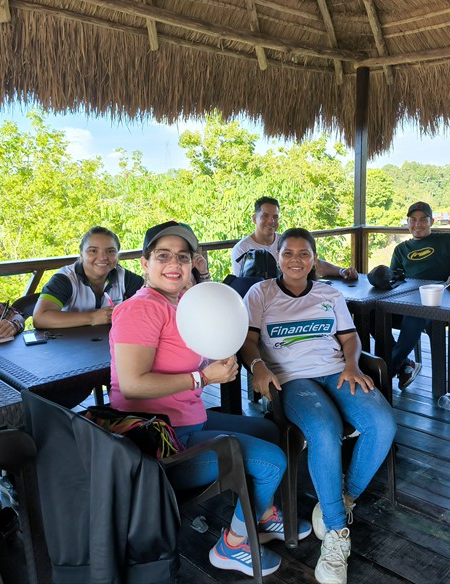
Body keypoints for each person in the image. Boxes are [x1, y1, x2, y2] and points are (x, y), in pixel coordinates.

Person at [109, 220, 308, 577]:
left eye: (183, 257)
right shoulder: (141, 309)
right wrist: (202, 376)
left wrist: (216, 360)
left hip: (188, 419)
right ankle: (231, 545)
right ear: (144, 263)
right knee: (272, 461)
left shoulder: (183, 304)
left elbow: (195, 350)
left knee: (270, 432)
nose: (174, 264)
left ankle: (259, 515)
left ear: (193, 263)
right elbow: (133, 385)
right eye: (163, 256)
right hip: (158, 444)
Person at [240, 227, 397, 584]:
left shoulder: (329, 293)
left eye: (304, 254)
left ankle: (344, 499)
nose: (296, 260)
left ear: (314, 260)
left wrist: (353, 363)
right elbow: (248, 341)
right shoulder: (260, 293)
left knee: (382, 424)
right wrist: (258, 365)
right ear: (278, 257)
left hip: (336, 371)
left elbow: (349, 337)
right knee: (324, 432)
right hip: (291, 380)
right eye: (288, 253)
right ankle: (337, 535)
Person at [388, 201, 450, 389]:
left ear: (432, 222)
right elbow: (393, 277)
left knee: (415, 314)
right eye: (413, 220)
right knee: (372, 315)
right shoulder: (401, 249)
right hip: (408, 300)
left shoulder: (448, 239)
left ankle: (385, 371)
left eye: (423, 220)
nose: (417, 224)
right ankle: (404, 364)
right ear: (408, 222)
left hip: (441, 302)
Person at [32, 226, 145, 329]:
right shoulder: (66, 278)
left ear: (117, 256)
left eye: (110, 251)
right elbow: (40, 318)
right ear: (81, 255)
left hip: (109, 343)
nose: (102, 257)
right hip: (68, 344)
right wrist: (93, 317)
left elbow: (154, 301)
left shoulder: (123, 276)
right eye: (93, 251)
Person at [231, 196, 358, 280]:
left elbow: (314, 264)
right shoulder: (242, 249)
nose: (271, 221)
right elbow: (244, 284)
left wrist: (341, 271)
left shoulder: (285, 242)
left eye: (275, 217)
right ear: (254, 219)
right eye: (265, 216)